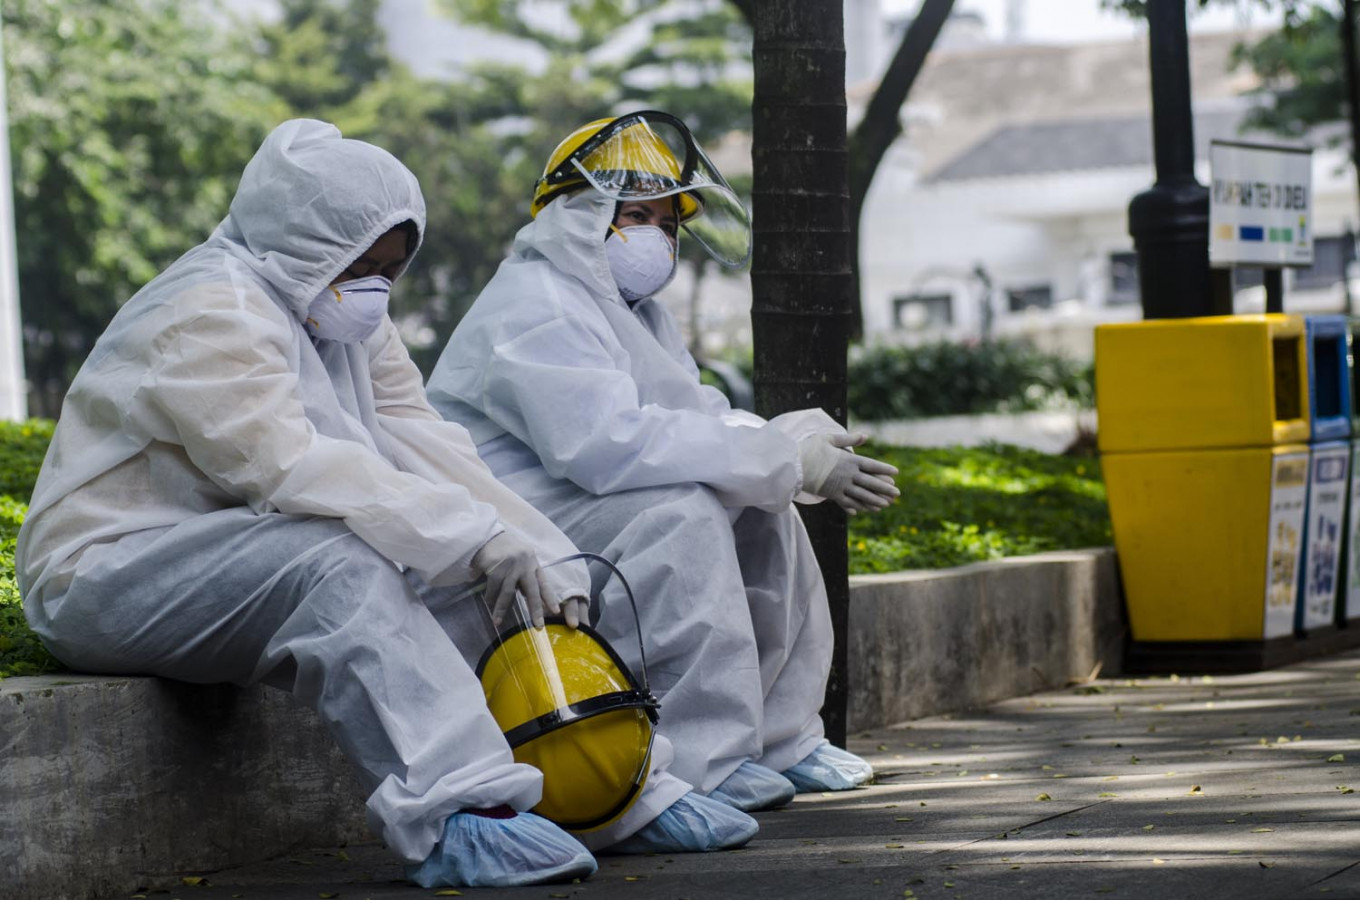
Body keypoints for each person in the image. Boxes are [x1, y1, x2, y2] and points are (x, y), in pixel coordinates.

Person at [14, 118, 745, 890]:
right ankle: (459, 816)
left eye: (390, 270)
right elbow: (291, 469)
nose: (374, 287)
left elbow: (422, 437)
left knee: (479, 578)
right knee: (341, 563)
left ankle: (616, 790)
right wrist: (470, 536)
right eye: (361, 265)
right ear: (304, 240)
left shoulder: (339, 310)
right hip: (107, 575)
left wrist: (525, 542)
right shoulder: (210, 311)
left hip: (234, 555)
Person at [425, 110, 901, 826]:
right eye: (637, 215)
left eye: (668, 222)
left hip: (581, 499)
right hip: (516, 519)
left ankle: (777, 740)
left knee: (761, 503)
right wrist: (772, 455)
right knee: (684, 513)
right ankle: (698, 761)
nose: (658, 237)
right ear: (578, 216)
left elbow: (694, 416)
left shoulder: (637, 315)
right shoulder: (534, 303)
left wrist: (789, 451)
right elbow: (605, 443)